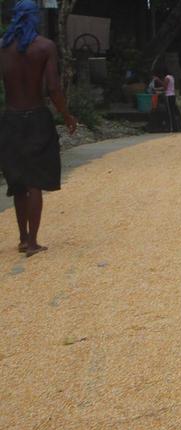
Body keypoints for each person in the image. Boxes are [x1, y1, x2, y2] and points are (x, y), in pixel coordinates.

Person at [0, 0, 77, 258]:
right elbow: (53, 88)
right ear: (34, 18)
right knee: (34, 182)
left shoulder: (3, 48)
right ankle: (33, 241)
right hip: (36, 119)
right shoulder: (45, 47)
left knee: (18, 181)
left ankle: (22, 238)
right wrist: (67, 116)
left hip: (10, 119)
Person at [154, 65, 181, 132]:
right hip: (172, 95)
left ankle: (171, 128)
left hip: (169, 96)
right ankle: (175, 128)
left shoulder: (167, 78)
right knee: (172, 112)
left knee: (169, 113)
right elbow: (168, 87)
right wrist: (157, 89)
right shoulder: (171, 77)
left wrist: (158, 80)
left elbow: (165, 87)